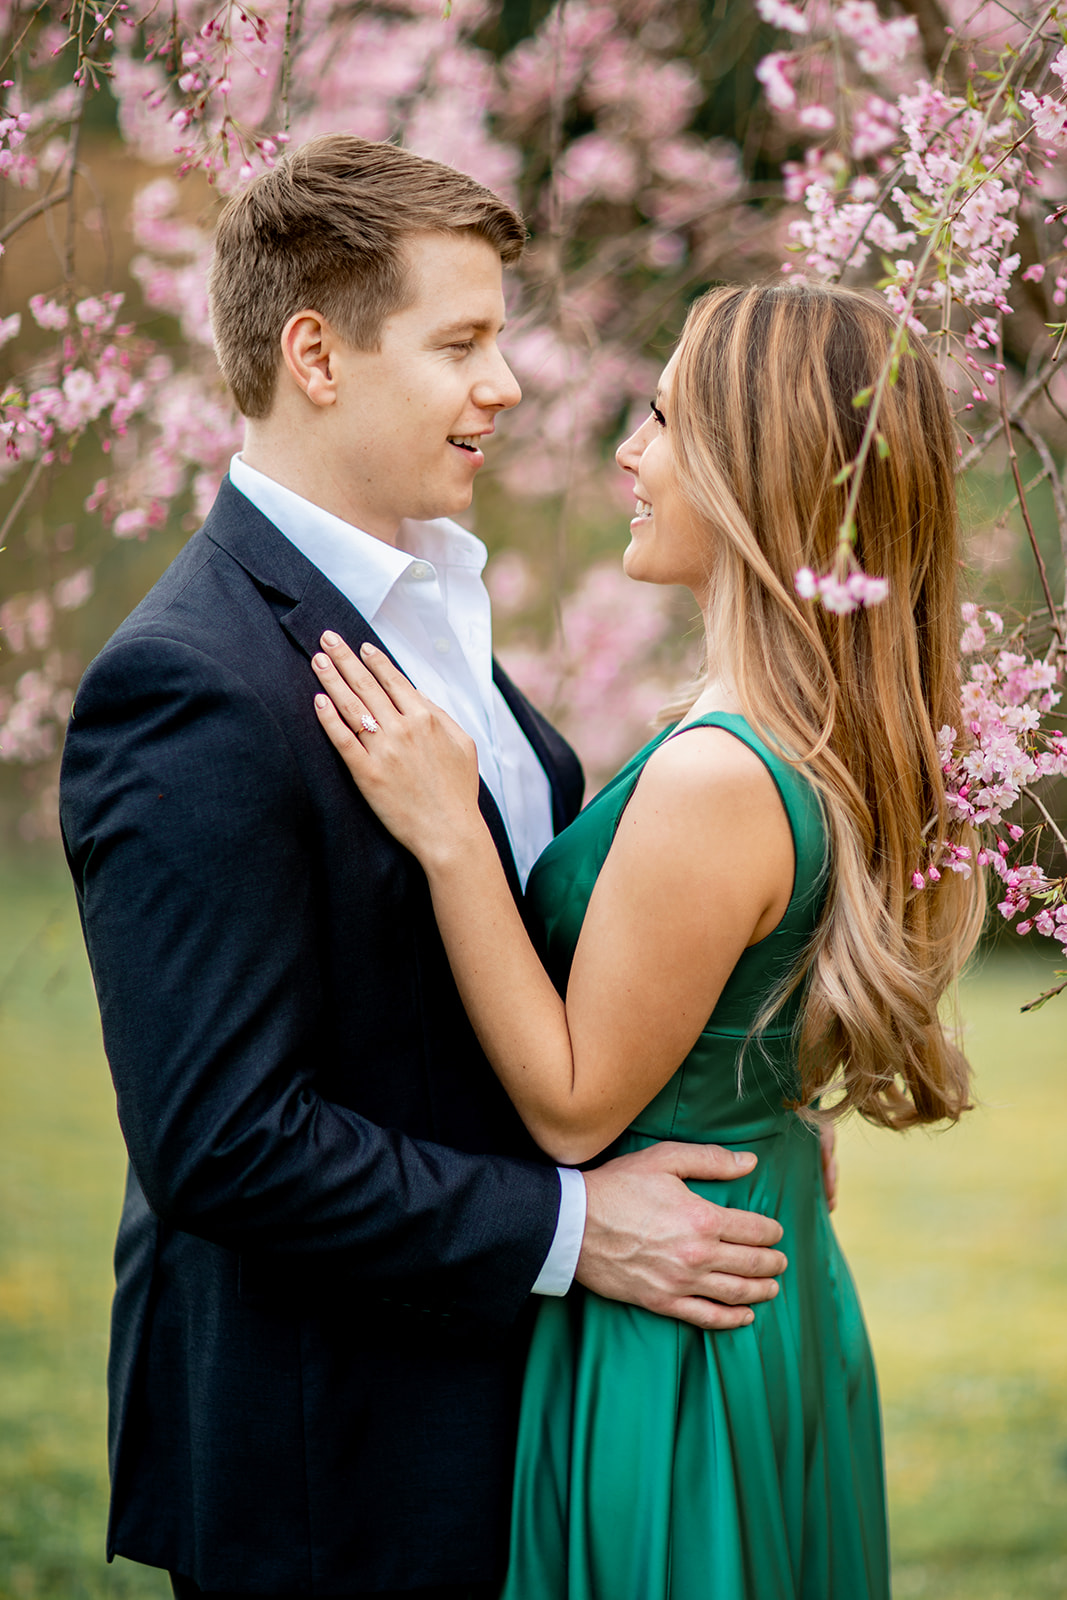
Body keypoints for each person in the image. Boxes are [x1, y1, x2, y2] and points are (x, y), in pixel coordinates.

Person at [57, 138, 789, 1600]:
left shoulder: (432, 599)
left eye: (500, 340)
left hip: (506, 1424)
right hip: (344, 1464)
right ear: (317, 355)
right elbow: (224, 1142)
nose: (507, 384)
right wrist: (575, 1232)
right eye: (461, 342)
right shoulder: (191, 686)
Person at [309, 281, 988, 1600]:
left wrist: (452, 840)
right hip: (746, 1261)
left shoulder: (720, 775)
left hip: (671, 1328)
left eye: (664, 418)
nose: (626, 451)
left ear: (755, 470)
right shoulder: (802, 733)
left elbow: (570, 1109)